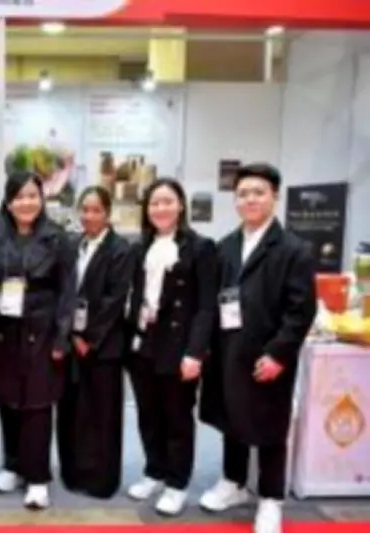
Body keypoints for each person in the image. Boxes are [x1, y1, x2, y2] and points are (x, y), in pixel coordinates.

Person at [198, 164, 316, 533]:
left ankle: (270, 499)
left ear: (274, 196)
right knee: (231, 418)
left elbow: (301, 311)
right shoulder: (225, 247)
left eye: (259, 192)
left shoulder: (294, 249)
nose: (250, 199)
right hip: (227, 350)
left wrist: (279, 353)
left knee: (270, 428)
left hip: (268, 354)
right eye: (243, 194)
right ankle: (233, 483)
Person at [0, 172, 75, 510]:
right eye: (19, 196)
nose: (26, 202)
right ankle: (12, 465)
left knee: (37, 405)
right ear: (8, 202)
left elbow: (68, 291)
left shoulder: (58, 238)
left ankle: (37, 477)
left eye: (32, 195)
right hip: (5, 331)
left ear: (42, 199)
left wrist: (62, 337)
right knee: (7, 400)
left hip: (43, 331)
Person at [124, 178, 218, 516]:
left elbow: (207, 306)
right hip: (143, 341)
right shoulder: (139, 247)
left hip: (178, 345)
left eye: (167, 201)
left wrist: (195, 352)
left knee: (177, 417)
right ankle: (154, 471)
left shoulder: (201, 247)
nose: (160, 208)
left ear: (180, 206)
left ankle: (177, 484)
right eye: (154, 203)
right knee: (148, 414)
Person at [56, 186, 135, 499]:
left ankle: (102, 480)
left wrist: (89, 337)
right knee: (71, 410)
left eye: (96, 210)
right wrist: (69, 334)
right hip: (71, 341)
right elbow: (64, 291)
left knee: (102, 413)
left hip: (103, 346)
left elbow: (115, 299)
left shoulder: (120, 249)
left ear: (107, 213)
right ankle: (73, 474)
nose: (89, 216)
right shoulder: (74, 244)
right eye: (85, 210)